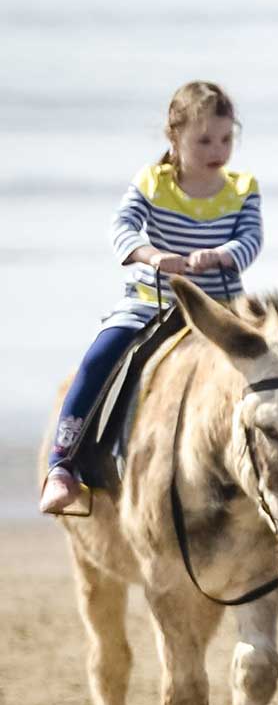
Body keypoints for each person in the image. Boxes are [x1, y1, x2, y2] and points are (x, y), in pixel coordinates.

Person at [40, 81, 262, 514]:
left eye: (225, 138)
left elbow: (251, 239)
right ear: (174, 137)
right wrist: (153, 255)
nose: (217, 149)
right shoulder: (153, 181)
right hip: (152, 300)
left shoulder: (242, 187)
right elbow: (121, 226)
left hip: (221, 308)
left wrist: (220, 255)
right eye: (204, 140)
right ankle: (62, 466)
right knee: (98, 359)